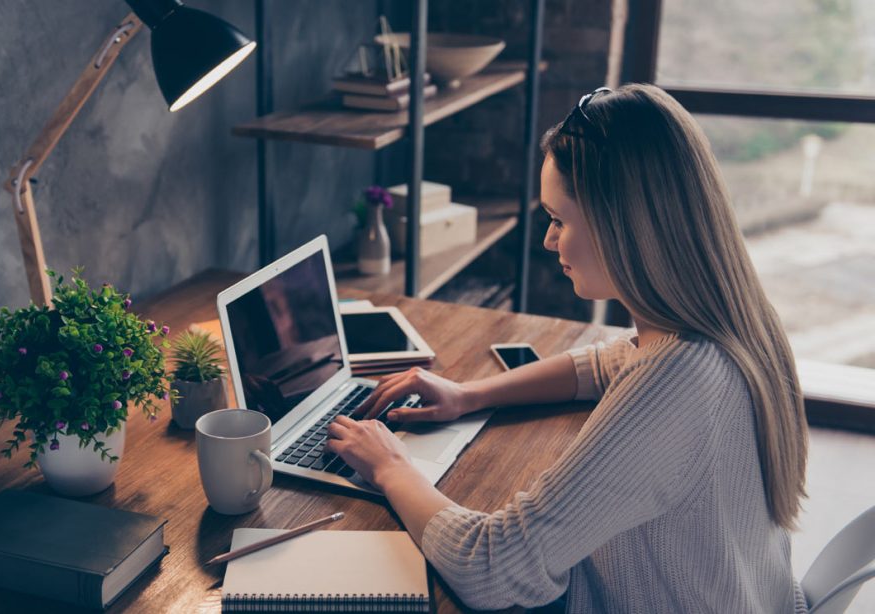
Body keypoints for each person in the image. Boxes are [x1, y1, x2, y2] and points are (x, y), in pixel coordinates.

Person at [325, 84, 809, 613]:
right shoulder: (730, 321)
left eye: (558, 219)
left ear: (623, 226)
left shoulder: (678, 379)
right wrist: (468, 393)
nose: (548, 241)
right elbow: (607, 362)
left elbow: (494, 568)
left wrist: (392, 466)